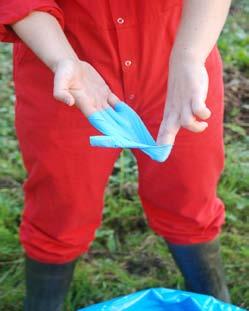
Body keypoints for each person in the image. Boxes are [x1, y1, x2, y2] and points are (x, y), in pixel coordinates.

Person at [0, 0, 232, 310]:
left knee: (189, 189)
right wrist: (62, 59)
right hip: (63, 62)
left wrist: (189, 55)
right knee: (61, 202)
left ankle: (213, 297)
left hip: (176, 53)